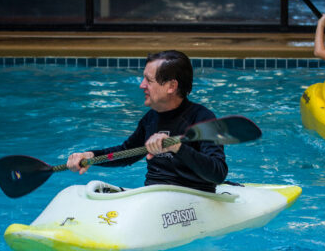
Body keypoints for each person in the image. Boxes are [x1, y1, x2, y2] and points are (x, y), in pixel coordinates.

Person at [66, 50, 228, 193]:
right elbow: (126, 153)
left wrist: (177, 147)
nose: (141, 85)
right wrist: (91, 156)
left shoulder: (202, 119)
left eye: (148, 80)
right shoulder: (151, 118)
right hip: (153, 196)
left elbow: (218, 173)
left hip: (192, 198)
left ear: (171, 86)